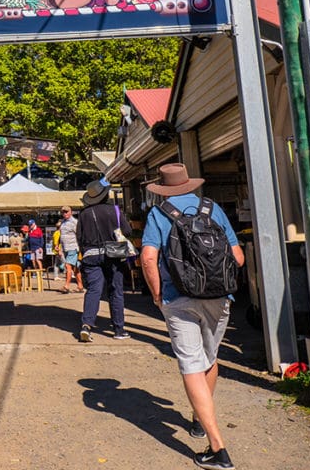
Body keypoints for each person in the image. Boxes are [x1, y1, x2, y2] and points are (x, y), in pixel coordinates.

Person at [140, 163, 245, 470]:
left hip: (179, 297)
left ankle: (218, 449)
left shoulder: (159, 215)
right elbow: (237, 257)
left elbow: (148, 258)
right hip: (219, 297)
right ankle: (199, 419)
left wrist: (158, 295)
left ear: (164, 188)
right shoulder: (213, 210)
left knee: (190, 363)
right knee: (209, 359)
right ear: (189, 184)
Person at [75, 177, 132, 342]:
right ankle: (119, 330)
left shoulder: (84, 214)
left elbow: (80, 237)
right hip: (114, 254)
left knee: (94, 290)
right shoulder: (114, 210)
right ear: (105, 196)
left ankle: (86, 325)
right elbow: (127, 231)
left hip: (91, 255)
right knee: (116, 291)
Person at [57, 206, 84, 293]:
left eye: (67, 212)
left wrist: (81, 248)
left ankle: (66, 286)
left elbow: (80, 235)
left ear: (71, 212)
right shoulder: (63, 223)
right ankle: (80, 286)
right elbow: (61, 235)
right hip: (66, 248)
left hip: (73, 248)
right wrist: (58, 245)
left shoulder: (75, 222)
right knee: (75, 269)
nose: (65, 214)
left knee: (67, 266)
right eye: (63, 212)